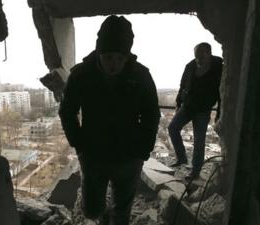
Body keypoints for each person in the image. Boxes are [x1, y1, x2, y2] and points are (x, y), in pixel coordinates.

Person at [59, 15, 160, 225]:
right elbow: (67, 111)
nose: (114, 64)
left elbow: (151, 114)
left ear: (127, 55)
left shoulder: (140, 76)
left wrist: (143, 149)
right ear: (99, 53)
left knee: (122, 211)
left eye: (119, 58)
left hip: (129, 156)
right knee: (92, 208)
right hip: (93, 155)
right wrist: (78, 143)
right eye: (108, 57)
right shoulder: (81, 75)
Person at [168, 42, 223, 180]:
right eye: (196, 57)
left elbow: (223, 92)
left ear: (209, 54)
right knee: (172, 128)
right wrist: (179, 102)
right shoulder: (190, 66)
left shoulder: (218, 68)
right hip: (188, 106)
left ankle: (195, 171)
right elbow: (183, 85)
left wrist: (219, 112)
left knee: (199, 141)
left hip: (203, 110)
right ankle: (182, 158)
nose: (198, 60)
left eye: (201, 57)